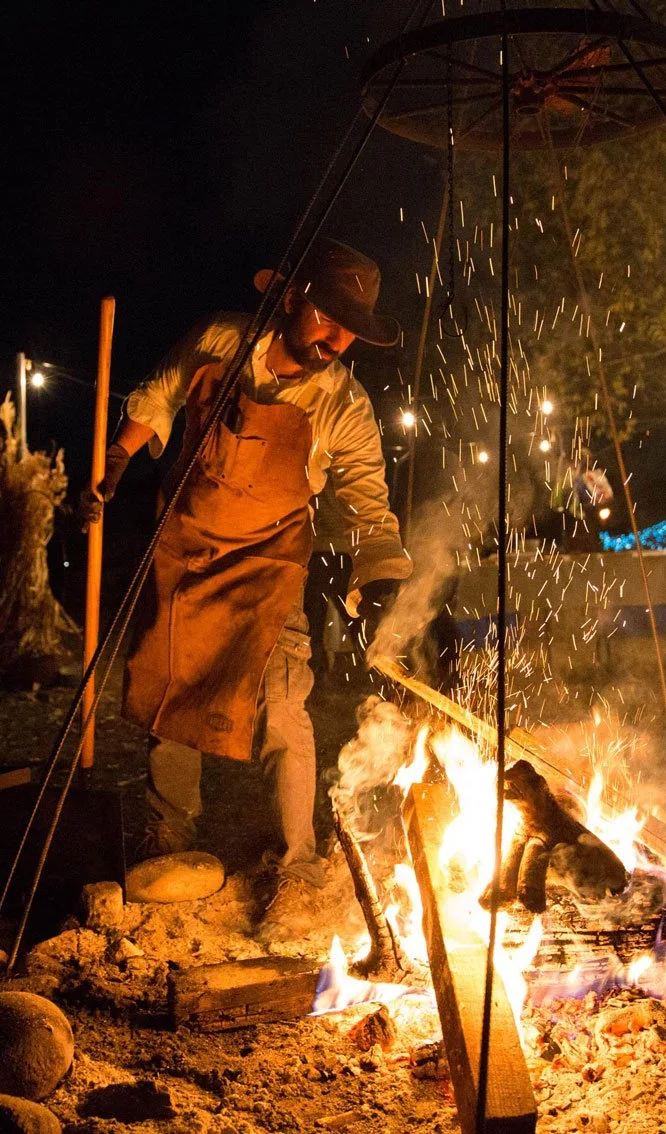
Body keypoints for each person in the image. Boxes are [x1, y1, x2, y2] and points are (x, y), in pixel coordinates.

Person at [83, 238, 412, 938]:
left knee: (284, 711)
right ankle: (167, 841)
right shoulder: (220, 342)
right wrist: (114, 463)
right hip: (187, 547)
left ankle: (296, 867)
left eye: (351, 328)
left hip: (270, 565)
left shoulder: (344, 407)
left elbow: (368, 508)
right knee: (167, 692)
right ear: (293, 298)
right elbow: (158, 397)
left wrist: (379, 581)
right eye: (329, 315)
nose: (337, 337)